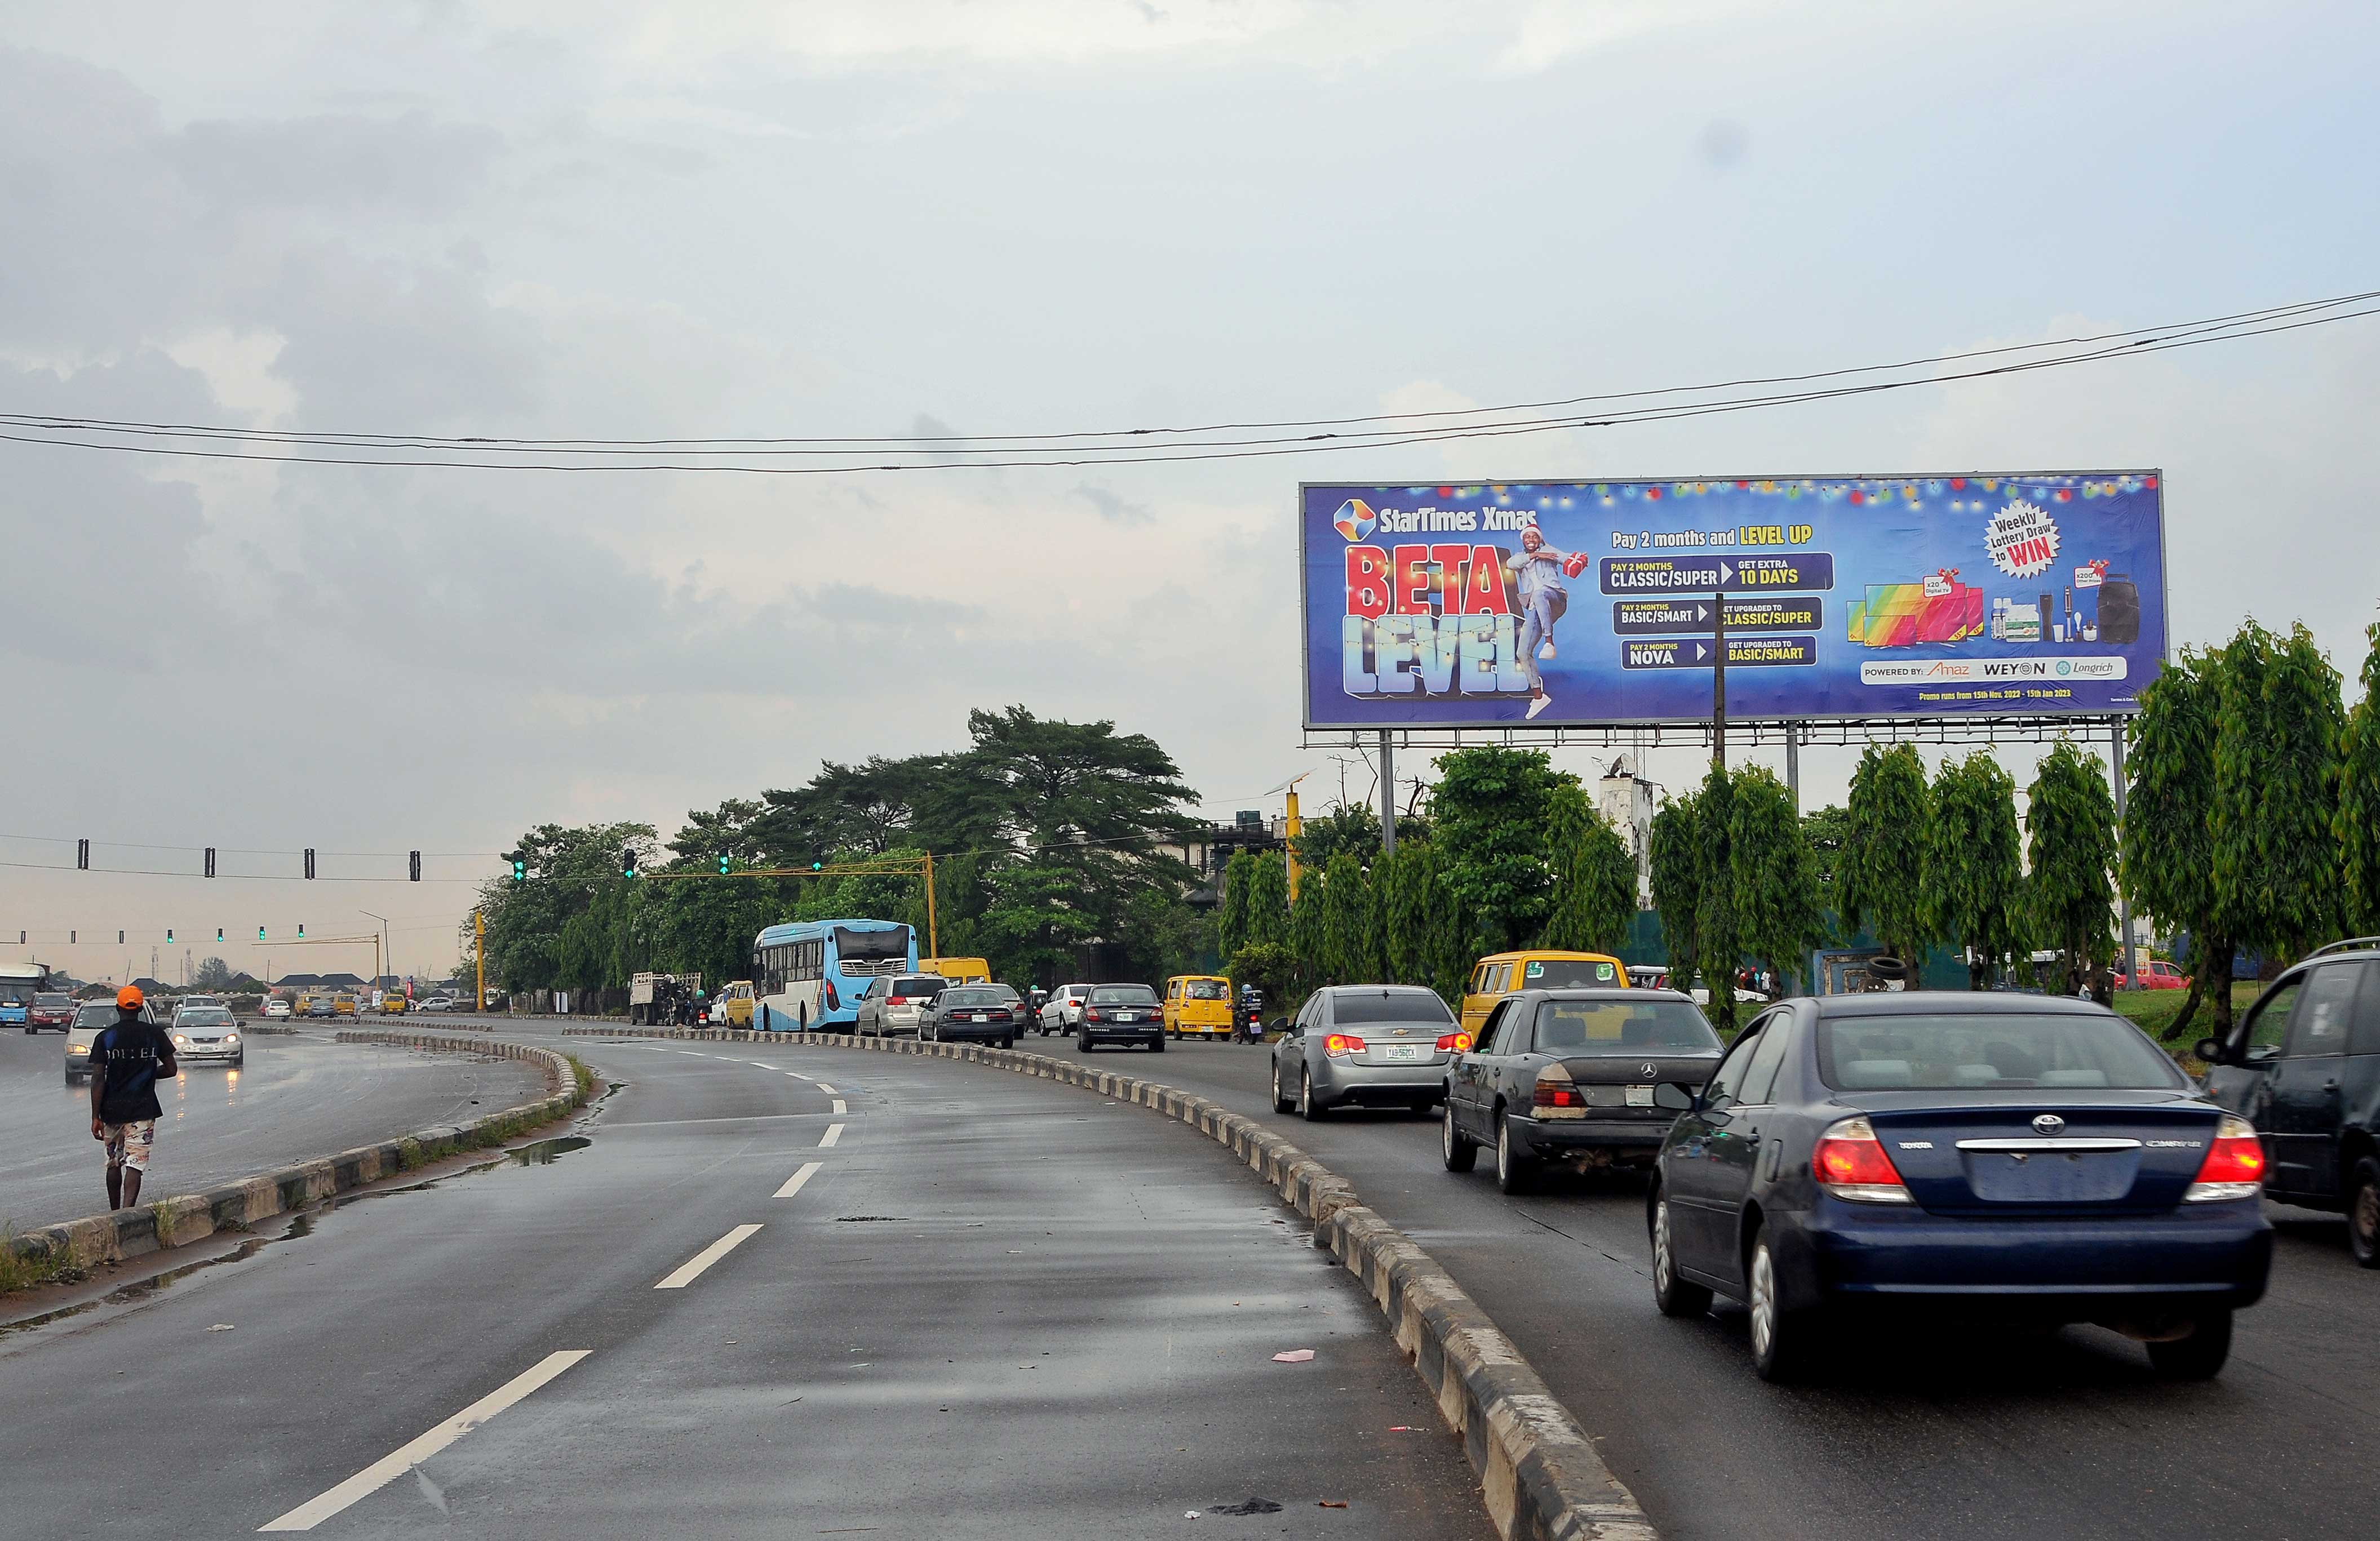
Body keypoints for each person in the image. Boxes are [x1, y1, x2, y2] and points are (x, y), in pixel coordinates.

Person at [88, 985, 176, 1211]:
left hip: (112, 1110)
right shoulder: (155, 1034)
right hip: (143, 1110)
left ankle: (114, 1213)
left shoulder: (106, 1037)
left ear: (118, 1009)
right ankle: (129, 1213)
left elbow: (98, 1079)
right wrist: (146, 1074)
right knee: (135, 1164)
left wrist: (95, 1117)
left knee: (114, 1162)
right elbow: (171, 1069)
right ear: (140, 1008)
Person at [1503, 524, 1572, 720]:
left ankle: (1550, 642)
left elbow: (1565, 558)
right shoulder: (1521, 557)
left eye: (1534, 536)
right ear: (1523, 541)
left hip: (1555, 600)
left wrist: (1578, 559)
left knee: (1540, 592)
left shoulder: (1549, 550)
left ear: (1540, 539)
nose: (1531, 539)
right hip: (1536, 608)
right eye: (1527, 537)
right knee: (1522, 652)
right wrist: (1535, 557)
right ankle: (1539, 697)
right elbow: (1510, 563)